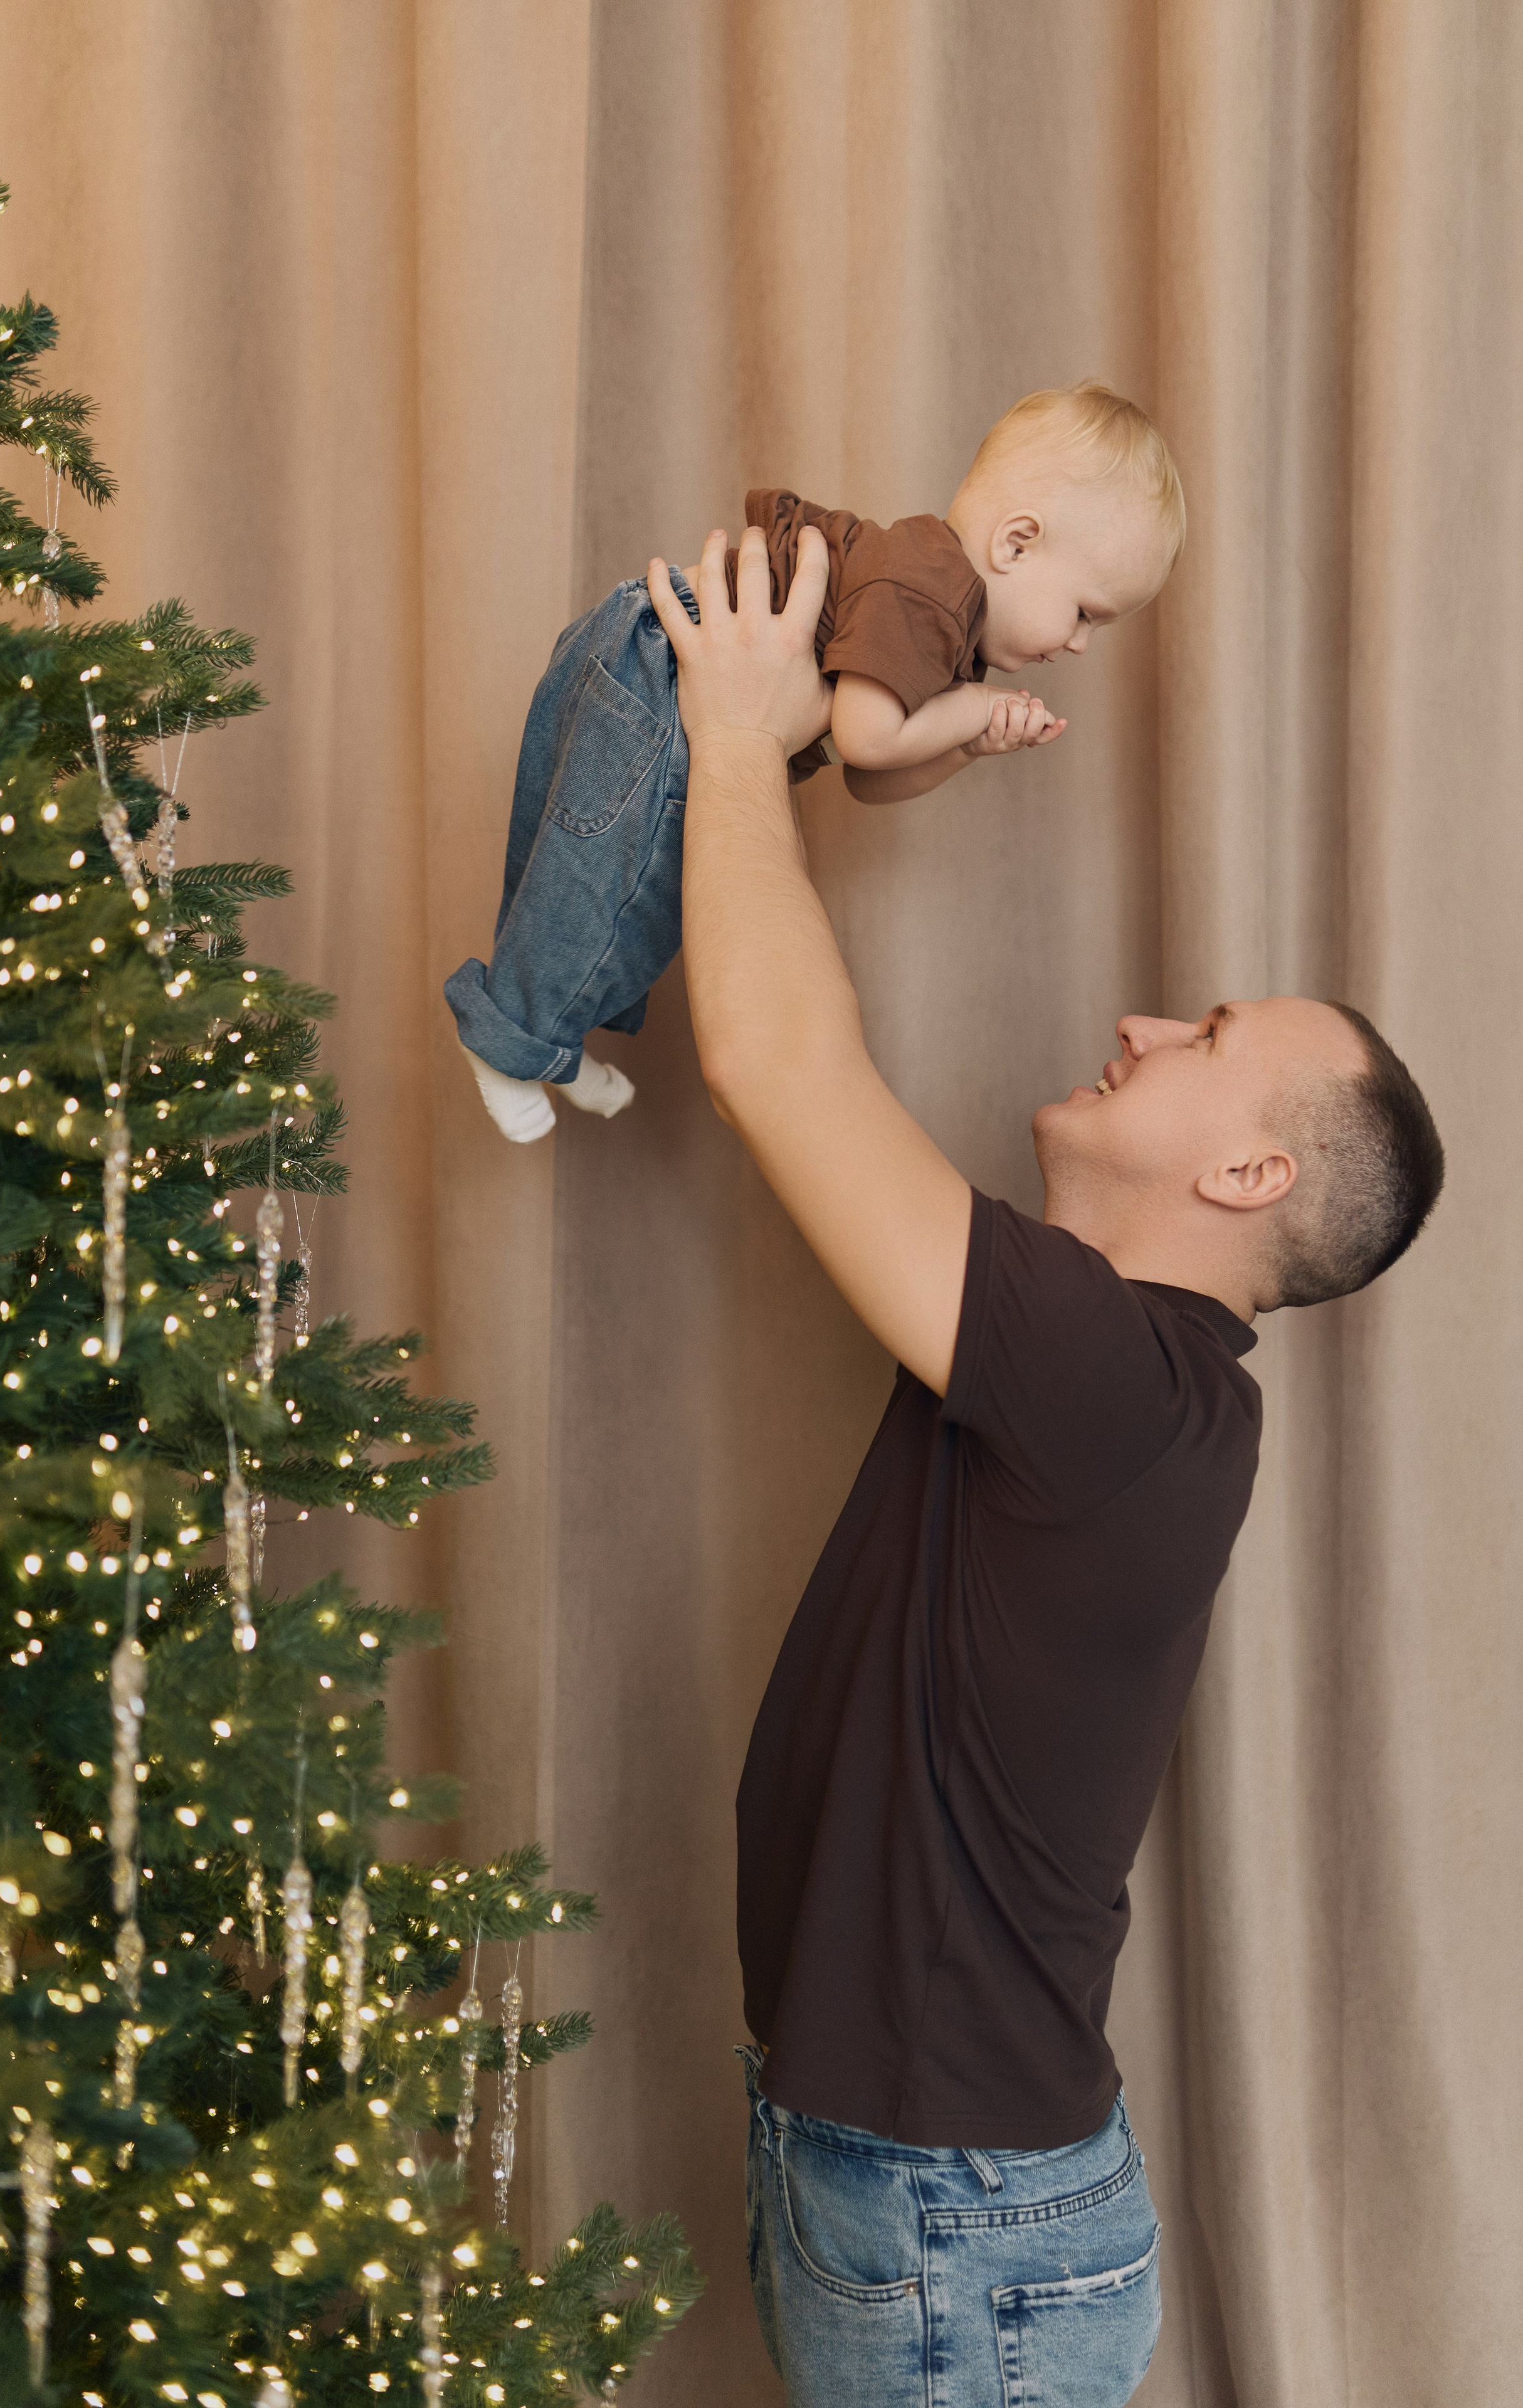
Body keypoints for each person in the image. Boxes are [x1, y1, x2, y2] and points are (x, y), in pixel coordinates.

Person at [644, 525, 1444, 2408]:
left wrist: (738, 730)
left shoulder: (1116, 1377)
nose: (1139, 1024)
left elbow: (774, 1058)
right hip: (911, 2187)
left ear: (1249, 1176)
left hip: (956, 2231)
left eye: (1206, 1041)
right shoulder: (1115, 1361)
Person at [445, 383, 1181, 1142]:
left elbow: (869, 778)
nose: (1078, 644)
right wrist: (971, 710)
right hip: (662, 665)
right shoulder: (926, 590)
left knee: (639, 897)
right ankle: (507, 1045)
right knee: (605, 880)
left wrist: (965, 744)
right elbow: (865, 736)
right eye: (1087, 611)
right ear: (1017, 542)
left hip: (664, 666)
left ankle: (548, 1041)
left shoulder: (948, 616)